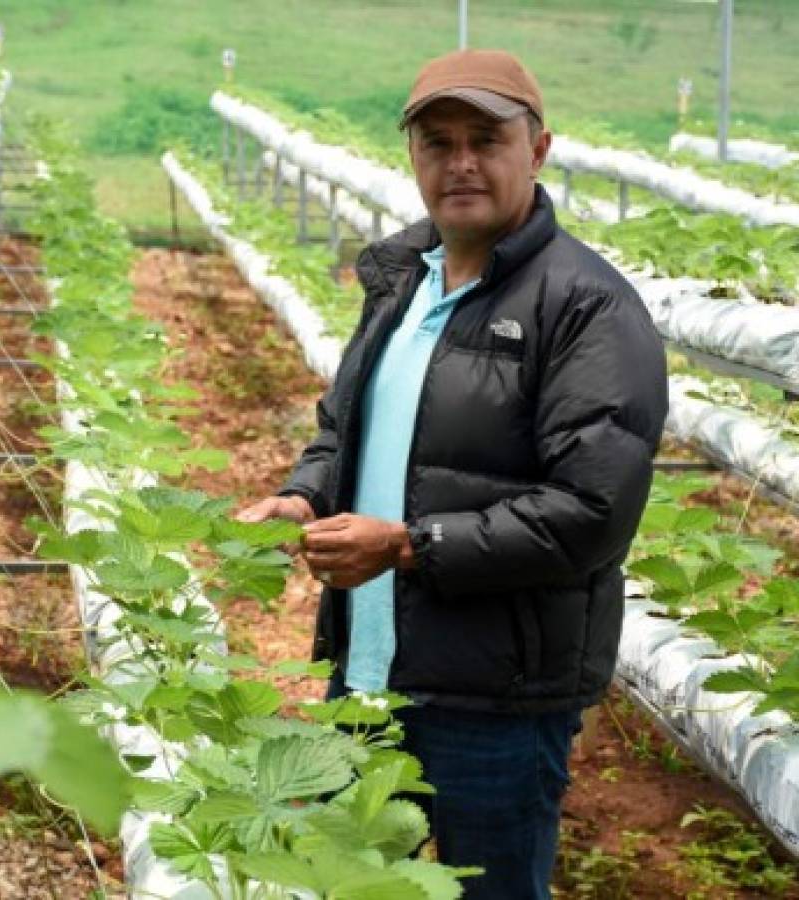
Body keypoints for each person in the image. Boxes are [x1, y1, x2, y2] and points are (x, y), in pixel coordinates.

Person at [238, 49, 668, 899]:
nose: (460, 162)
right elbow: (347, 428)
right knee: (349, 884)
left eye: (486, 139)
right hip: (369, 676)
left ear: (537, 150)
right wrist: (305, 492)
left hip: (497, 699)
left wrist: (406, 546)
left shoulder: (587, 305)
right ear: (413, 156)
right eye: (438, 142)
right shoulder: (402, 279)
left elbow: (590, 510)